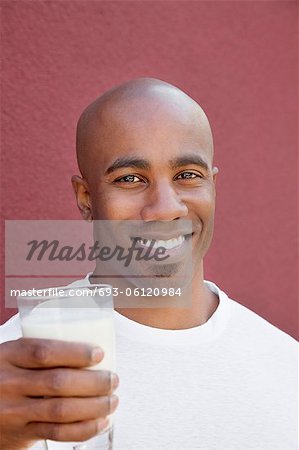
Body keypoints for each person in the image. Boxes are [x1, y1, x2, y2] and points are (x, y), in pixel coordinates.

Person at [0, 78, 297, 450]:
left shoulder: (287, 368)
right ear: (86, 198)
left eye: (187, 175)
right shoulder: (19, 370)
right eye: (130, 179)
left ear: (213, 185)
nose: (166, 208)